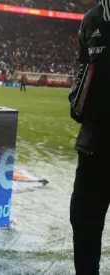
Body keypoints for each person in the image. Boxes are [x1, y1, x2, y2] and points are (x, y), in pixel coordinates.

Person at [68, 0, 110, 274]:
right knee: (83, 223)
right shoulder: (91, 19)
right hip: (95, 146)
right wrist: (76, 100)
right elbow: (83, 69)